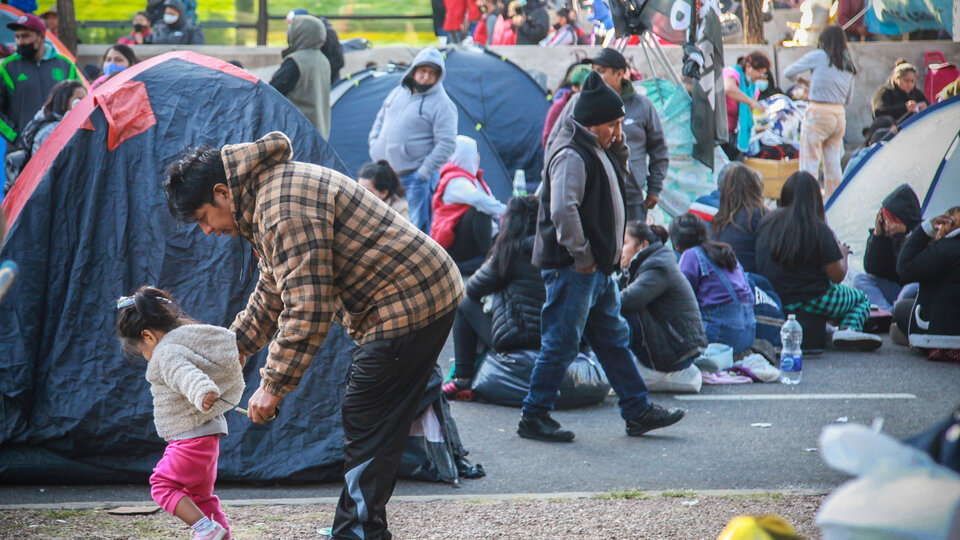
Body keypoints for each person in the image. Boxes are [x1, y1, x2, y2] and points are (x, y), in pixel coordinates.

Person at [163, 131, 463, 540]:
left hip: (411, 300)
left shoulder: (281, 206)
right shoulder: (263, 199)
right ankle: (358, 524)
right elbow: (272, 290)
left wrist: (272, 386)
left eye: (203, 218)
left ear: (222, 193)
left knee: (367, 415)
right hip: (408, 297)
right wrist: (233, 350)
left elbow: (308, 305)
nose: (207, 231)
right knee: (373, 418)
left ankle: (357, 531)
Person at [525, 71, 685, 443]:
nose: (618, 131)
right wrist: (582, 257)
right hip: (576, 268)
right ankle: (534, 414)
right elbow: (563, 210)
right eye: (613, 125)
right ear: (591, 123)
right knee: (562, 342)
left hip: (595, 268)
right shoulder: (570, 153)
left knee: (613, 338)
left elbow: (619, 176)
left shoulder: (594, 145)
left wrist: (618, 143)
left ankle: (637, 410)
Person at [115, 287, 243, 540]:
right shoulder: (184, 341)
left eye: (141, 349)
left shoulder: (166, 352)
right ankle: (219, 535)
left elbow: (185, 374)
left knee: (162, 485)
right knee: (200, 497)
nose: (145, 355)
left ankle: (206, 530)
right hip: (207, 436)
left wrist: (202, 391)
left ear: (148, 336)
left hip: (191, 438)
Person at [756, 171, 882, 351]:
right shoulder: (817, 227)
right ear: (815, 199)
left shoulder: (767, 221)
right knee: (860, 299)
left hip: (773, 296)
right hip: (811, 297)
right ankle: (848, 330)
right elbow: (837, 276)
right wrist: (843, 253)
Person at [547, 49, 669, 222]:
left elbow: (659, 150)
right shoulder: (578, 103)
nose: (593, 76)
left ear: (619, 74)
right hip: (590, 194)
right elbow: (554, 141)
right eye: (593, 70)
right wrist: (555, 181)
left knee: (631, 245)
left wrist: (654, 188)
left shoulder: (643, 106)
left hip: (632, 197)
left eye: (601, 71)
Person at [443, 195, 544, 401]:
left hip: (519, 335)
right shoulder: (552, 248)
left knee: (464, 304)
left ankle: (462, 377)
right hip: (554, 336)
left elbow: (474, 288)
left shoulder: (511, 251)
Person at [368, 47, 457, 233]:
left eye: (432, 73)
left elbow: (447, 143)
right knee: (382, 227)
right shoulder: (398, 92)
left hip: (413, 178)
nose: (426, 76)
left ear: (439, 76)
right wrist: (374, 143)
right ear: (414, 71)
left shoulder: (443, 104)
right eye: (423, 71)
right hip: (385, 173)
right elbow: (380, 118)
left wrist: (423, 173)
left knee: (413, 232)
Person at [620, 221, 707, 374]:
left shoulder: (658, 266)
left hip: (677, 351)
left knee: (623, 309)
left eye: (624, 243)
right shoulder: (647, 262)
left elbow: (630, 299)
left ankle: (614, 368)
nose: (619, 249)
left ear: (642, 245)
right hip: (675, 345)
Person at [783, 25, 856, 197]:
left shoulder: (819, 56)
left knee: (810, 165)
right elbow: (849, 100)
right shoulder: (848, 63)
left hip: (817, 113)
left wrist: (802, 80)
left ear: (823, 41)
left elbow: (788, 72)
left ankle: (807, 203)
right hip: (838, 116)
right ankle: (835, 206)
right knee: (833, 165)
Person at [671, 213, 757, 355]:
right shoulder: (724, 251)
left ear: (676, 244)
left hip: (721, 333)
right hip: (748, 331)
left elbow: (681, 298)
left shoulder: (691, 255)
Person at [0, 13, 80, 147]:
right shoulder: (7, 67)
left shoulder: (65, 65)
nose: (20, 42)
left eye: (25, 36)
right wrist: (15, 136)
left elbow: (79, 103)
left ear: (42, 37)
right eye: (17, 37)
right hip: (21, 149)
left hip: (60, 147)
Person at [431, 135, 506, 276]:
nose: (478, 158)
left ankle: (492, 256)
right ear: (467, 155)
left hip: (469, 239)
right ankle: (488, 258)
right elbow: (481, 202)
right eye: (476, 154)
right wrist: (510, 210)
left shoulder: (474, 180)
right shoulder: (455, 181)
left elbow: (491, 204)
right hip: (451, 242)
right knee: (479, 211)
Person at [894, 208, 960, 348]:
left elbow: (904, 267)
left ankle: (906, 335)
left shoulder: (944, 249)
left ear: (948, 224)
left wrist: (925, 230)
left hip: (946, 337)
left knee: (901, 308)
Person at [4, 79, 84, 192]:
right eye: (78, 99)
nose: (83, 102)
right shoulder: (51, 130)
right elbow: (52, 168)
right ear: (63, 101)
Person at [854, 184, 922, 312]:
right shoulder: (885, 235)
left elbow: (908, 272)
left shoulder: (921, 235)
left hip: (913, 293)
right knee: (860, 280)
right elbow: (871, 269)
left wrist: (899, 238)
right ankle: (887, 313)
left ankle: (895, 313)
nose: (887, 224)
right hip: (893, 290)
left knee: (911, 288)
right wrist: (877, 236)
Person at [269, 15, 331, 138]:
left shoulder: (296, 61)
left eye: (291, 30)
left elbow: (271, 91)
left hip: (298, 134)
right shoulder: (323, 60)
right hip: (319, 133)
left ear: (302, 33)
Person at [708, 164, 767, 273]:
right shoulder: (759, 215)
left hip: (722, 279)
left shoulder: (718, 219)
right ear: (756, 187)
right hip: (748, 280)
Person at [722, 51, 771, 161]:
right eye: (759, 72)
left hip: (733, 136)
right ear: (748, 66)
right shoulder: (732, 72)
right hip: (716, 133)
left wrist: (760, 121)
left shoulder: (753, 88)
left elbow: (752, 111)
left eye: (763, 73)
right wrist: (750, 102)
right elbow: (729, 89)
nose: (761, 76)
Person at [284, 10, 344, 85]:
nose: (290, 28)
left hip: (328, 82)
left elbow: (338, 61)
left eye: (292, 23)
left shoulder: (327, 34)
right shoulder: (304, 36)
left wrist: (316, 73)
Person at [542, 64, 591, 148]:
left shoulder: (591, 106)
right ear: (574, 87)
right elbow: (547, 140)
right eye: (586, 86)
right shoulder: (559, 107)